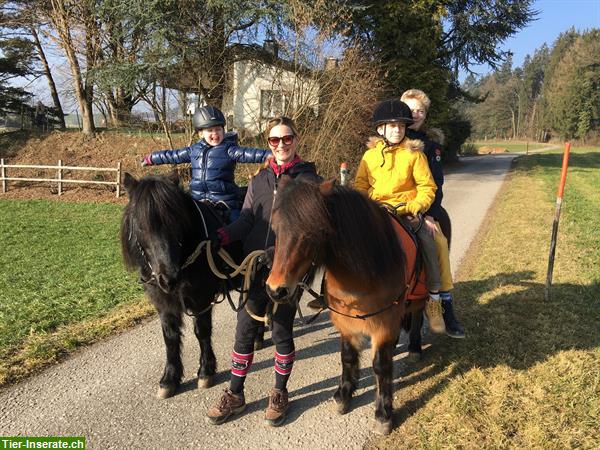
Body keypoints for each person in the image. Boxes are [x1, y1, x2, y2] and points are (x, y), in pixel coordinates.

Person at [206, 116, 320, 427]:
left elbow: (306, 229)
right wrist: (220, 237)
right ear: (267, 143)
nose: (281, 145)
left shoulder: (308, 181)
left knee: (282, 331)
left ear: (296, 140)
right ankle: (235, 394)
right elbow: (245, 220)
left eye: (287, 139)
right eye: (274, 140)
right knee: (244, 331)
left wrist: (279, 254)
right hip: (254, 269)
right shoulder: (258, 181)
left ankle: (280, 392)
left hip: (285, 271)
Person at [354, 99, 446, 334]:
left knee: (429, 242)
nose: (397, 130)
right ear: (380, 129)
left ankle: (434, 300)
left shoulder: (415, 154)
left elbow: (428, 187)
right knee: (345, 238)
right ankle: (333, 292)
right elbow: (361, 185)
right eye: (392, 126)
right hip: (376, 212)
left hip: (407, 213)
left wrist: (413, 206)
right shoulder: (369, 157)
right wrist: (365, 206)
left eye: (401, 126)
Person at [401, 89, 465, 338]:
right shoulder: (390, 138)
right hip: (392, 207)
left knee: (438, 243)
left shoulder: (431, 147)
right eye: (410, 110)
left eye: (420, 111)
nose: (415, 114)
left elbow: (436, 185)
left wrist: (429, 214)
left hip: (422, 208)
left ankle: (444, 306)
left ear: (426, 115)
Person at [141, 106, 269, 222]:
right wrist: (152, 158)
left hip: (224, 202)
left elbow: (251, 153)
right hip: (196, 200)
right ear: (200, 133)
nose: (215, 134)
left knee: (238, 225)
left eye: (218, 129)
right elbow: (172, 155)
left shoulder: (229, 149)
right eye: (210, 130)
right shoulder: (194, 150)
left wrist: (272, 155)